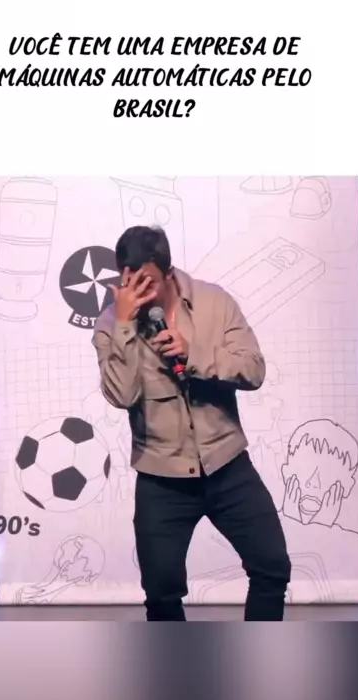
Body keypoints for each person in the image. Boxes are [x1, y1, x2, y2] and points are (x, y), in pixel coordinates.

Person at [92, 225, 291, 620]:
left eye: (147, 282)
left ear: (168, 272)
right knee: (161, 593)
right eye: (129, 282)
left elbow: (253, 370)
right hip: (162, 476)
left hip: (227, 465)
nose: (138, 292)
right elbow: (120, 395)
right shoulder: (110, 323)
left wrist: (194, 353)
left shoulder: (214, 301)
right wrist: (125, 327)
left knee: (272, 566)